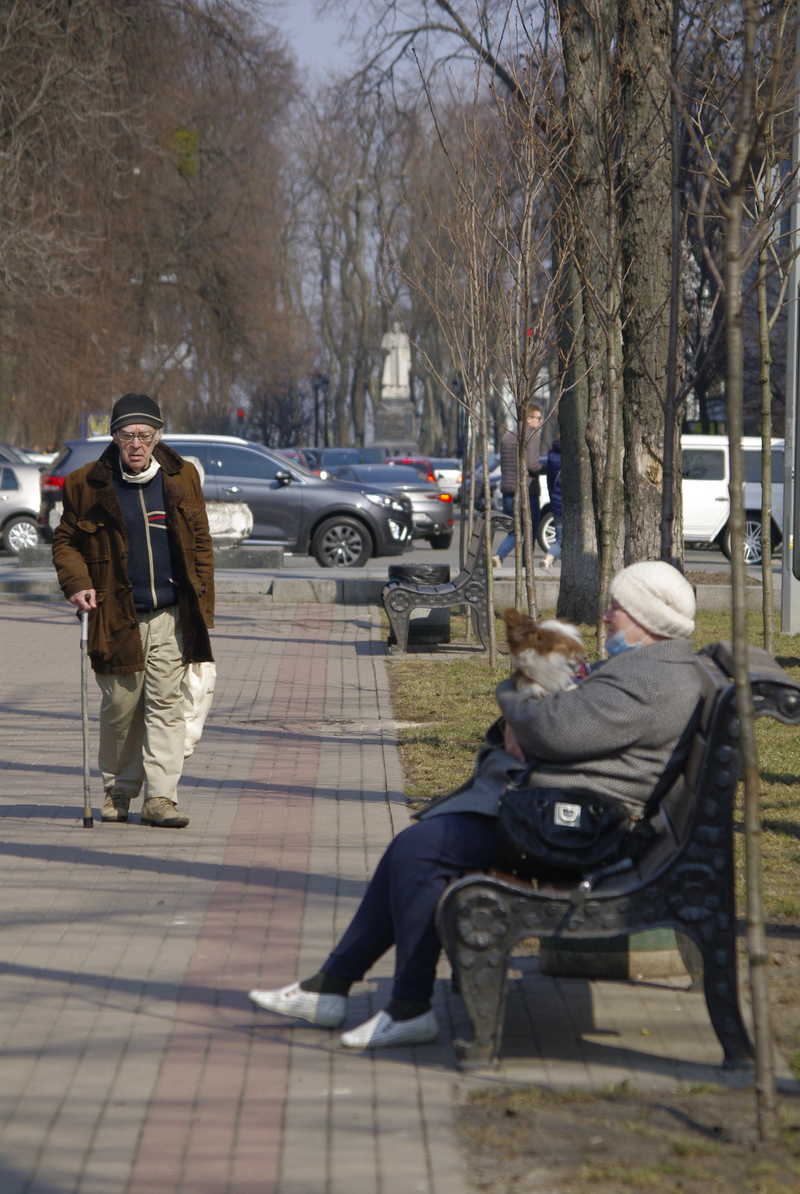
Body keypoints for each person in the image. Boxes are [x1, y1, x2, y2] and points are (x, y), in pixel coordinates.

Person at [249, 561, 701, 1049]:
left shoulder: (650, 679)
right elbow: (560, 722)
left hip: (577, 832)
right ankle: (336, 989)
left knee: (422, 852)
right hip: (574, 814)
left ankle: (405, 1006)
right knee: (415, 846)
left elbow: (555, 729)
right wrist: (528, 719)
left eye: (618, 608)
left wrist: (513, 689)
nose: (607, 616)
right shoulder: (655, 667)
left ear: (648, 619)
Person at [52, 393, 214, 828]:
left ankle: (162, 799)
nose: (136, 444)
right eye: (127, 435)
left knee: (166, 706)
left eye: (145, 435)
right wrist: (78, 584)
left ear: (158, 436)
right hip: (115, 615)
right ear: (116, 437)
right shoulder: (87, 483)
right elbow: (65, 541)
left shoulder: (182, 477)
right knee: (121, 709)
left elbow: (200, 543)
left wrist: (202, 605)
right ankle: (120, 792)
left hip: (170, 614)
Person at [492, 405, 543, 569]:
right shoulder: (532, 436)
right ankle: (525, 567)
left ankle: (499, 557)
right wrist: (549, 468)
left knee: (515, 531)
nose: (541, 421)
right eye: (538, 418)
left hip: (508, 492)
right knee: (529, 532)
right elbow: (532, 465)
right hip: (526, 492)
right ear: (528, 419)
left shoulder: (507, 436)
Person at [540, 437, 562, 572]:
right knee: (564, 541)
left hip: (556, 501)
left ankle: (548, 559)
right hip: (571, 504)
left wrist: (552, 497)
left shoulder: (552, 454)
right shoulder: (575, 452)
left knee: (560, 538)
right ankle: (548, 558)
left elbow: (549, 479)